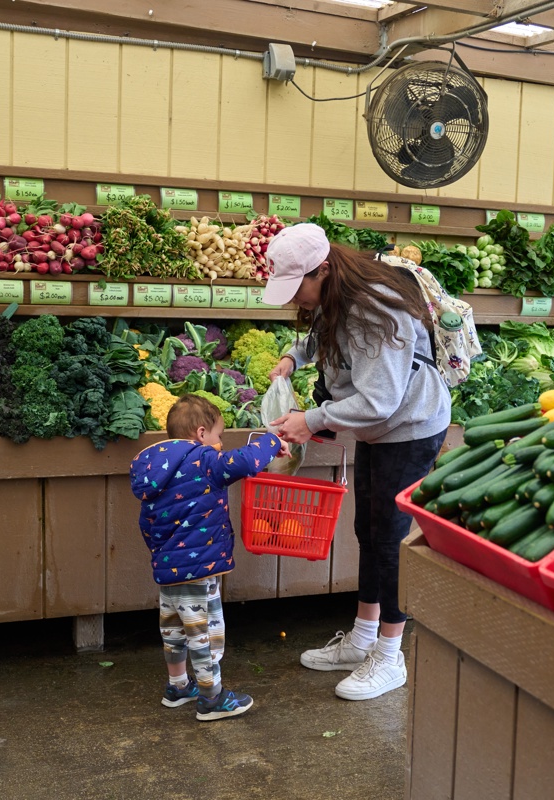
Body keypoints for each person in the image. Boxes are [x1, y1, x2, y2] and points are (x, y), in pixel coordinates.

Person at [262, 223, 451, 701]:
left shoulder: (372, 308)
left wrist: (312, 419)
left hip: (408, 426)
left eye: (297, 288)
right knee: (368, 530)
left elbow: (381, 400)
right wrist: (293, 358)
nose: (293, 301)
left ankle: (390, 655)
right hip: (378, 429)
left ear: (323, 269)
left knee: (389, 538)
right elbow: (326, 338)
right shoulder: (337, 294)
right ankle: (363, 636)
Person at [129, 394, 287, 721]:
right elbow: (242, 462)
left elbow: (145, 523)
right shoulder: (202, 459)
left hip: (168, 570)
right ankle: (211, 698)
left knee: (173, 630)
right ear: (201, 434)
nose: (220, 444)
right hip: (199, 571)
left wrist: (161, 554)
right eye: (219, 436)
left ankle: (177, 686)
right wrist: (272, 441)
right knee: (205, 634)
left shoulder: (153, 470)